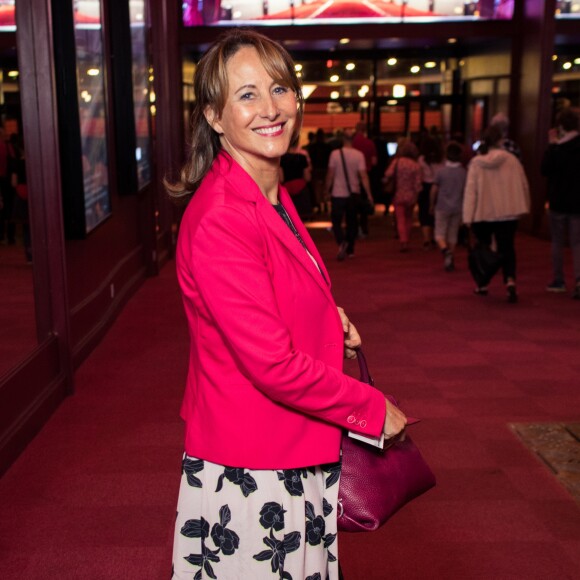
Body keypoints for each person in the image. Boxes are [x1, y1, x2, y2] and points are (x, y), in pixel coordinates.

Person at [165, 30, 407, 580]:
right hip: (255, 465)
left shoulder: (271, 194)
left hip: (291, 447)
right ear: (215, 116)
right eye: (247, 95)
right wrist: (369, 409)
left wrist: (328, 317)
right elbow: (271, 364)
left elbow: (278, 290)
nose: (271, 109)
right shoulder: (223, 216)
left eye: (279, 89)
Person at [463, 125, 530, 302]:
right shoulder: (512, 160)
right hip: (508, 211)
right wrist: (524, 206)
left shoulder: (477, 163)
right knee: (507, 247)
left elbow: (471, 192)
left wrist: (467, 217)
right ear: (500, 140)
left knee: (484, 249)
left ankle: (482, 283)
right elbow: (523, 184)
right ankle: (510, 280)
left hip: (483, 212)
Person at [541, 107, 580, 299]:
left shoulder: (557, 149)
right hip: (578, 202)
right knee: (577, 242)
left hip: (558, 200)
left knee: (557, 242)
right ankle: (579, 280)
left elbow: (545, 170)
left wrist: (551, 145)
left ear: (561, 127)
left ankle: (559, 280)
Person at [325, 130, 373, 260]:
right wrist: (369, 194)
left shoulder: (335, 154)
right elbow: (363, 176)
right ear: (354, 140)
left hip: (338, 192)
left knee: (336, 221)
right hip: (354, 193)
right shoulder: (359, 155)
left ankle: (341, 242)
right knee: (352, 221)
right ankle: (350, 248)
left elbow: (330, 174)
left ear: (342, 139)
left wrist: (326, 191)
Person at [430, 141, 467, 272]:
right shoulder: (463, 172)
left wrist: (431, 205)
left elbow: (434, 190)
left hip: (442, 206)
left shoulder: (441, 171)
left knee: (439, 234)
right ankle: (450, 259)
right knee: (453, 234)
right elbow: (465, 191)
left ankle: (446, 252)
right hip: (458, 207)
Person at [383, 139, 422, 252]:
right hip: (411, 195)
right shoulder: (416, 165)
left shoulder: (397, 162)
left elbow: (388, 174)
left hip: (398, 193)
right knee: (409, 218)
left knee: (400, 218)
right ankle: (407, 238)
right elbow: (418, 184)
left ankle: (403, 240)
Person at [418, 135, 444, 249]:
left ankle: (426, 239)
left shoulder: (421, 159)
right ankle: (435, 236)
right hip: (439, 186)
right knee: (436, 211)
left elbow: (419, 175)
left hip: (425, 187)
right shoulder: (441, 159)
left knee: (424, 212)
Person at [352, 121, 377, 237]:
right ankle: (364, 227)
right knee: (364, 203)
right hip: (366, 174)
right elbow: (374, 161)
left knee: (353, 204)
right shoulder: (369, 143)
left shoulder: (352, 143)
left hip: (352, 176)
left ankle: (354, 228)